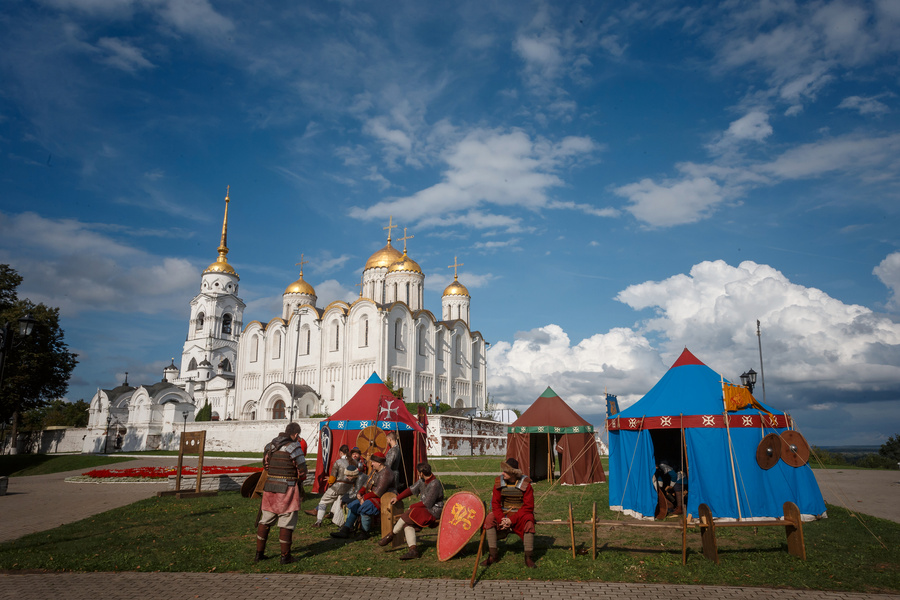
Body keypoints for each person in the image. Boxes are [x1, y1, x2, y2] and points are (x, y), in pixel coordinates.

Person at [255, 422, 308, 564]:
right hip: (288, 490)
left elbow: (266, 465)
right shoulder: (294, 447)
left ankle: (259, 554)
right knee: (286, 522)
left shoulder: (269, 446)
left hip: (270, 487)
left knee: (265, 519)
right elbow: (302, 471)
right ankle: (285, 557)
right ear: (296, 434)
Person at [378, 462, 444, 559]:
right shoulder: (422, 481)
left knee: (411, 512)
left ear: (421, 473)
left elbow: (427, 503)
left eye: (418, 472)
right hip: (424, 509)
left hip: (434, 511)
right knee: (407, 524)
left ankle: (391, 534)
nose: (417, 474)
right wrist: (398, 498)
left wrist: (412, 506)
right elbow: (411, 490)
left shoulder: (435, 484)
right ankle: (413, 550)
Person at [482, 457, 536, 568]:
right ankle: (493, 555)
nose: (502, 473)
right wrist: (502, 519)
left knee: (529, 522)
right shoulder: (498, 483)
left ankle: (528, 557)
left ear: (513, 473)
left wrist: (511, 520)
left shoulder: (526, 485)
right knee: (489, 519)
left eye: (505, 471)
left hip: (521, 513)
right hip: (503, 512)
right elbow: (495, 504)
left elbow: (528, 506)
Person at [330, 451, 396, 541]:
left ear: (379, 463)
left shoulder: (386, 473)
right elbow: (366, 484)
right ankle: (345, 530)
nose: (371, 464)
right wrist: (360, 493)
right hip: (370, 496)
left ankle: (364, 532)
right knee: (353, 505)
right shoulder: (375, 471)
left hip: (383, 498)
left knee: (365, 507)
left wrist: (364, 498)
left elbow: (378, 492)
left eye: (373, 462)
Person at [310, 444, 358, 528]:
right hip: (349, 488)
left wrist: (330, 483)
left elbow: (332, 477)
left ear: (340, 452)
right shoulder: (355, 462)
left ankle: (318, 521)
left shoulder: (338, 462)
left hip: (337, 487)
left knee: (323, 501)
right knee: (341, 505)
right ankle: (341, 522)